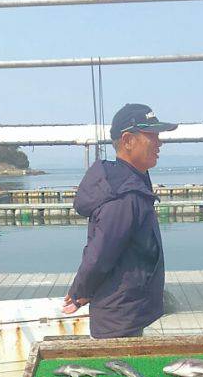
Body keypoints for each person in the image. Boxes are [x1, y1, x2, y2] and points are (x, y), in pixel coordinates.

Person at [62, 103, 178, 338]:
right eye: (151, 136)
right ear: (127, 140)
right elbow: (100, 252)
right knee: (122, 371)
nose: (159, 143)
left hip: (128, 309)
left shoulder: (131, 181)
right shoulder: (123, 194)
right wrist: (80, 291)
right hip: (119, 316)